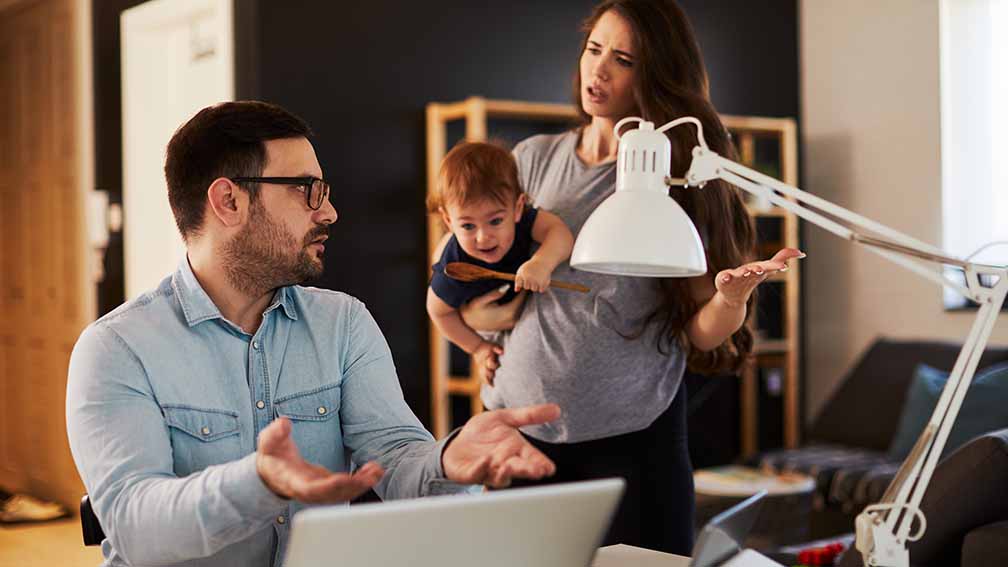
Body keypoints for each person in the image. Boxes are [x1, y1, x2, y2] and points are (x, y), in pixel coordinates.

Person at [65, 101, 560, 567]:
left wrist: (448, 459)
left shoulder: (343, 324)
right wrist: (255, 482)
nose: (329, 213)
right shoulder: (117, 349)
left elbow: (397, 455)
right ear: (229, 200)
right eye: (308, 190)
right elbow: (134, 524)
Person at [458, 0, 804, 554]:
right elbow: (471, 286)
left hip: (632, 442)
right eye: (594, 49)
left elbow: (701, 333)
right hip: (517, 430)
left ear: (658, 74)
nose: (598, 71)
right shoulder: (531, 159)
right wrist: (477, 331)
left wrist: (731, 299)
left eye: (623, 59)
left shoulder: (679, 174)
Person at [427, 141, 574, 384]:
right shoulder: (453, 269)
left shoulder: (525, 220)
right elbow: (438, 312)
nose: (483, 237)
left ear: (517, 208)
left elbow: (559, 233)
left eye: (495, 221)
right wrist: (477, 348)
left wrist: (542, 263)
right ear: (448, 221)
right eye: (467, 226)